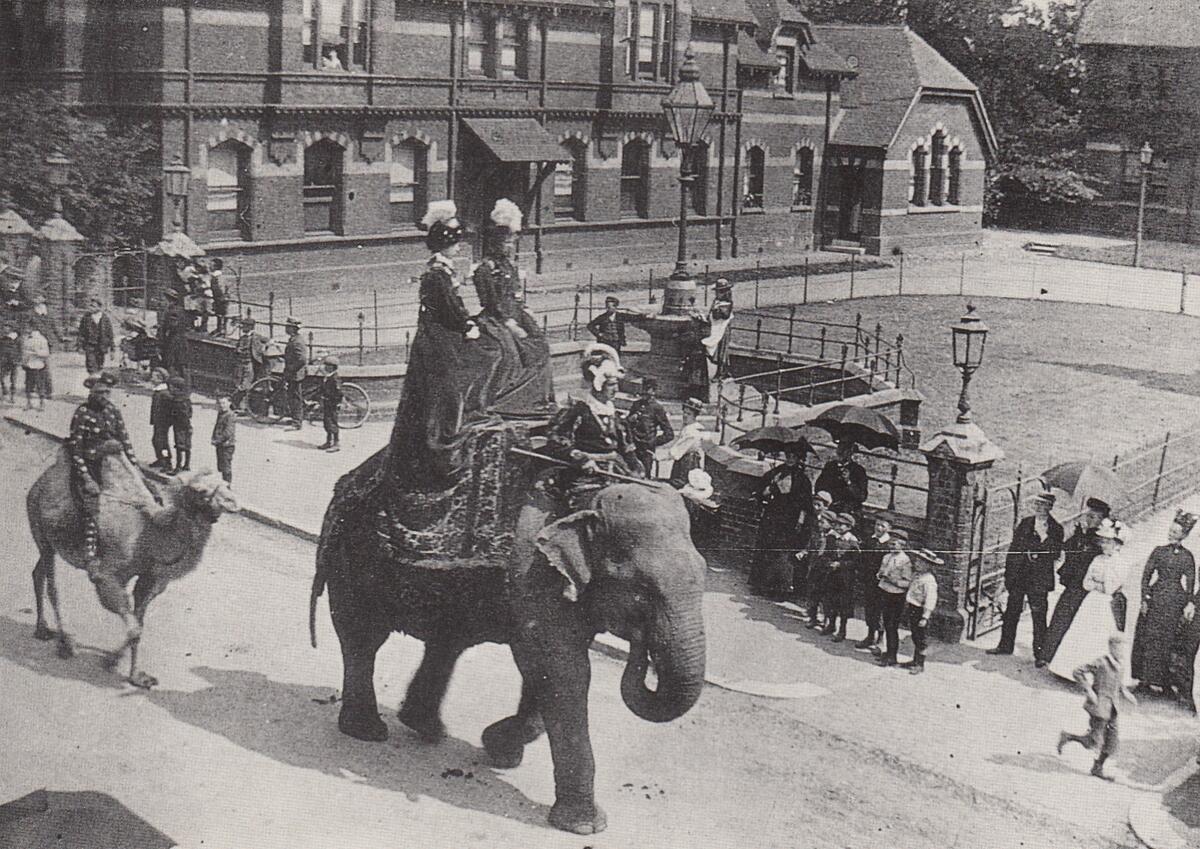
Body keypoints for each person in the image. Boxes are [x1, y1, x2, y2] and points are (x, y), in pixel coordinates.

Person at [388, 199, 498, 486]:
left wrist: (467, 320)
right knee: (454, 382)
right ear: (446, 244)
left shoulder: (441, 270)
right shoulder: (438, 273)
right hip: (439, 340)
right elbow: (449, 306)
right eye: (456, 242)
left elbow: (454, 304)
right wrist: (467, 325)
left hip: (439, 334)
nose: (460, 247)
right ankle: (445, 443)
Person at [471, 197, 555, 417]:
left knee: (541, 345)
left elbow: (516, 293)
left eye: (511, 242)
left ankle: (538, 400)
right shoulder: (484, 269)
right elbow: (491, 302)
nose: (509, 246)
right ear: (493, 244)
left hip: (516, 314)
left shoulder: (509, 265)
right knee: (512, 353)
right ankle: (506, 403)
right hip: (497, 319)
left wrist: (525, 311)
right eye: (505, 242)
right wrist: (510, 323)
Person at [545, 356, 642, 512]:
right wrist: (581, 459)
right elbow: (555, 440)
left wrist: (636, 467)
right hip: (586, 473)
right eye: (611, 385)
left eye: (616, 384)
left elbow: (626, 447)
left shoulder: (615, 414)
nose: (616, 389)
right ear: (598, 386)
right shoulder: (579, 411)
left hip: (617, 469)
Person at [67, 372, 139, 566]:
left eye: (107, 392)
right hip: (91, 465)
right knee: (92, 503)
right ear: (91, 392)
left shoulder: (113, 410)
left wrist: (134, 466)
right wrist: (86, 477)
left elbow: (124, 438)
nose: (104, 396)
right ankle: (89, 546)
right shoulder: (82, 412)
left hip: (113, 463)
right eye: (100, 392)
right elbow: (75, 446)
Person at [1049, 518, 1131, 683]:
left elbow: (1110, 588)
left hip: (1106, 604)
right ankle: (1070, 670)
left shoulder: (1121, 563)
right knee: (1080, 632)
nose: (1104, 545)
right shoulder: (1097, 559)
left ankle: (1099, 675)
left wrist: (1100, 582)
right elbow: (1086, 583)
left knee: (1100, 636)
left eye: (1109, 542)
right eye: (1103, 542)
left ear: (1117, 544)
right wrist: (1097, 583)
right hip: (1091, 600)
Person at [988, 491, 1064, 665]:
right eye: (1036, 504)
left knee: (1038, 616)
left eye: (1043, 505)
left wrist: (1043, 541)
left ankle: (1040, 655)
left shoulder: (1055, 529)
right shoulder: (1025, 523)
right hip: (1020, 575)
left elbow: (1055, 553)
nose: (1038, 508)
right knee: (1011, 612)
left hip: (1038, 579)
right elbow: (1014, 549)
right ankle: (1005, 645)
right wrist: (1009, 575)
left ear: (1050, 507)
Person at [1131, 510, 1196, 694]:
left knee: (1166, 640)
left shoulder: (1187, 556)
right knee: (1148, 637)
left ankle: (1160, 681)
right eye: (1171, 530)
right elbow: (1146, 575)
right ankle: (1143, 679)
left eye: (1176, 532)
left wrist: (1189, 603)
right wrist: (1144, 597)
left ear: (1184, 535)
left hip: (1174, 602)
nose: (1172, 534)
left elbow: (1191, 582)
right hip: (1156, 597)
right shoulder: (1159, 551)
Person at [1057, 633, 1137, 780]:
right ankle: (1068, 737)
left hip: (1113, 708)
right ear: (1112, 647)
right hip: (1099, 708)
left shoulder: (1121, 664)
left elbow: (1118, 684)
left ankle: (1097, 767)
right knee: (1093, 742)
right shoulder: (1101, 663)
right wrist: (1088, 690)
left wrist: (1126, 694)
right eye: (1121, 648)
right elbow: (1077, 672)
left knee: (1112, 743)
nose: (1123, 652)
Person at [1044, 497, 1109, 665]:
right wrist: (1077, 535)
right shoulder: (1083, 533)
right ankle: (1048, 654)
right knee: (1061, 616)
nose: (1089, 519)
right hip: (1074, 584)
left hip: (1086, 587)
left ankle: (1060, 657)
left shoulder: (1100, 540)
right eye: (1089, 515)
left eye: (1094, 517)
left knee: (1074, 622)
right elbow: (1067, 549)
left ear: (1102, 520)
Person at [751, 444, 815, 599]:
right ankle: (760, 584)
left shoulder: (803, 478)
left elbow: (806, 504)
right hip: (772, 515)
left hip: (789, 519)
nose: (790, 459)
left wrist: (800, 521)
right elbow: (761, 491)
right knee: (766, 548)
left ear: (799, 459)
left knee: (783, 553)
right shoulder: (776, 472)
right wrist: (770, 488)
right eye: (788, 456)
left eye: (794, 457)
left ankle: (779, 589)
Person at [901, 549, 942, 673]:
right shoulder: (918, 576)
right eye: (917, 561)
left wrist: (925, 616)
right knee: (915, 635)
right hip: (913, 608)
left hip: (921, 611)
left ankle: (920, 664)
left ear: (929, 566)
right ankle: (915, 660)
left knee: (921, 638)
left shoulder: (929, 581)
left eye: (921, 562)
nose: (917, 564)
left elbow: (930, 599)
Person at [821, 512, 860, 642]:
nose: (838, 527)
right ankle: (831, 625)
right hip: (832, 574)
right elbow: (826, 553)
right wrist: (828, 563)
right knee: (830, 600)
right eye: (836, 524)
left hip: (845, 577)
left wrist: (841, 564)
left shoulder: (852, 542)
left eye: (842, 525)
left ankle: (842, 630)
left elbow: (855, 561)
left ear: (849, 527)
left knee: (843, 605)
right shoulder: (831, 537)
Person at [876, 528, 913, 667]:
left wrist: (892, 580)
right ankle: (888, 651)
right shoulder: (887, 557)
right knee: (886, 623)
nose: (891, 547)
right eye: (890, 544)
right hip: (884, 591)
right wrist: (880, 575)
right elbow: (880, 572)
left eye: (895, 544)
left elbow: (907, 582)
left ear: (902, 545)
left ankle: (892, 655)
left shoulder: (905, 561)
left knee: (892, 626)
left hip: (896, 596)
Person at [626, 377, 674, 479]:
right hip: (633, 448)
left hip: (646, 452)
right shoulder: (636, 405)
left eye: (648, 389)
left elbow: (669, 434)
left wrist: (652, 443)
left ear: (654, 391)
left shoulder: (657, 408)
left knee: (644, 478)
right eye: (644, 388)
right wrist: (630, 440)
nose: (644, 391)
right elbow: (628, 425)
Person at [855, 517, 891, 650]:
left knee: (881, 609)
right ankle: (870, 635)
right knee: (870, 607)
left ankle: (880, 638)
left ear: (889, 529)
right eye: (877, 524)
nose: (879, 528)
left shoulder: (889, 544)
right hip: (869, 580)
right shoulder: (870, 540)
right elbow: (863, 558)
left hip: (883, 582)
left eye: (882, 525)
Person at [815, 439, 868, 517]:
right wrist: (825, 497)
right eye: (839, 448)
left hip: (847, 509)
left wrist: (848, 481)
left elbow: (862, 496)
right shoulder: (830, 466)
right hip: (829, 505)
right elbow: (818, 486)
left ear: (851, 452)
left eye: (845, 450)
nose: (841, 452)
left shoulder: (858, 470)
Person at [666, 397, 708, 489]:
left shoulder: (692, 432)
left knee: (681, 484)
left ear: (694, 416)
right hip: (685, 459)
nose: (685, 415)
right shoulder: (687, 427)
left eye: (688, 414)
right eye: (684, 412)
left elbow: (676, 451)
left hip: (687, 463)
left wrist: (660, 457)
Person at [231, 317, 267, 414]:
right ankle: (239, 407)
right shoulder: (242, 338)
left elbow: (268, 341)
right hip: (240, 364)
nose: (242, 327)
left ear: (250, 327)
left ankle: (236, 403)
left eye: (245, 325)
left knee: (245, 385)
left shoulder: (256, 337)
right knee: (238, 383)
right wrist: (238, 350)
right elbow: (236, 349)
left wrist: (264, 349)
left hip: (249, 364)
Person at [77, 297, 115, 376]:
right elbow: (81, 333)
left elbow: (110, 334)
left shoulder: (105, 319)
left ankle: (97, 382)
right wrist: (80, 346)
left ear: (99, 307)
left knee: (100, 365)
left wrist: (112, 349)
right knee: (90, 365)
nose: (91, 308)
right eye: (90, 306)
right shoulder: (86, 318)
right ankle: (93, 380)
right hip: (90, 345)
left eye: (93, 306)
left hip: (101, 346)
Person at [282, 317, 307, 430]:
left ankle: (297, 423)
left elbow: (301, 359)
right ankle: (294, 418)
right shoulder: (294, 339)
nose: (286, 328)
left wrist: (290, 369)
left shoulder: (297, 341)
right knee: (292, 396)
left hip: (295, 374)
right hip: (293, 373)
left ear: (293, 328)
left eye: (288, 327)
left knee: (296, 398)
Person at [148, 367, 173, 472]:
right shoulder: (158, 392)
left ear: (159, 379)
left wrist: (166, 421)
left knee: (162, 443)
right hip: (158, 422)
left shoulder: (164, 393)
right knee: (156, 441)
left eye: (153, 377)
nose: (151, 379)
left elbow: (170, 409)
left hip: (163, 423)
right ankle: (160, 459)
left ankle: (167, 462)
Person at [167, 375, 193, 473]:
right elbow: (190, 413)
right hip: (188, 425)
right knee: (187, 446)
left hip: (180, 426)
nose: (170, 389)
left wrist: (172, 419)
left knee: (179, 446)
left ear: (176, 388)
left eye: (171, 387)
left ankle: (178, 467)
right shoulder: (186, 399)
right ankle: (187, 465)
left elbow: (180, 415)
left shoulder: (177, 401)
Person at [21, 326, 50, 410]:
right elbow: (24, 352)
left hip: (38, 365)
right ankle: (29, 403)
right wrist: (24, 362)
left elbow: (46, 353)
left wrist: (37, 352)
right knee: (28, 385)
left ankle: (42, 403)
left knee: (40, 385)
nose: (27, 329)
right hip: (28, 365)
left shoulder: (42, 339)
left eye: (29, 328)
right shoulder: (27, 339)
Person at [318, 355, 343, 453]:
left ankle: (336, 443)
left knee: (332, 422)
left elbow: (338, 393)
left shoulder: (335, 378)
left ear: (332, 367)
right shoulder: (328, 377)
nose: (325, 367)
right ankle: (329, 441)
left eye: (327, 365)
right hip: (327, 402)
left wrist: (336, 403)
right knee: (327, 422)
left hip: (332, 404)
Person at [211, 395, 236, 485]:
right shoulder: (221, 413)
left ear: (229, 403)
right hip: (220, 444)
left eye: (224, 403)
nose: (222, 405)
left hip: (227, 445)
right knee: (221, 466)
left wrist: (217, 440)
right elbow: (217, 426)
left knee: (226, 467)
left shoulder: (230, 415)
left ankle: (227, 486)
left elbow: (228, 432)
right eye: (220, 403)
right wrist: (213, 437)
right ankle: (224, 484)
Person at [209, 258, 229, 336]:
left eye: (211, 265)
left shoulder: (218, 276)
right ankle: (219, 329)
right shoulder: (214, 276)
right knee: (218, 314)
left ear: (215, 267)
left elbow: (221, 287)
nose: (209, 267)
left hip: (221, 298)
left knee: (221, 314)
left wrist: (222, 297)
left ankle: (221, 330)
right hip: (217, 298)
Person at [0, 321, 19, 402]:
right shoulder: (2, 338)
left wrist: (19, 359)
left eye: (7, 326)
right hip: (3, 360)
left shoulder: (16, 338)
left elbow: (20, 349)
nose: (5, 328)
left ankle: (12, 395)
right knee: (1, 376)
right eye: (4, 326)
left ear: (11, 328)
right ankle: (4, 390)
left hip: (13, 360)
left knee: (13, 379)